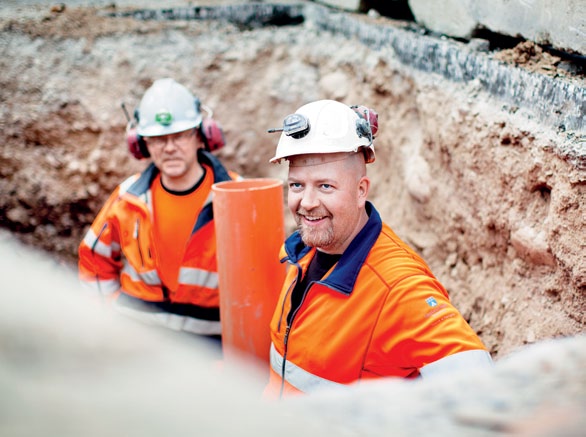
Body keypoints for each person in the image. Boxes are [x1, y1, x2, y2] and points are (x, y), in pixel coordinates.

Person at [265, 99, 492, 398]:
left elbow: (485, 394)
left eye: (325, 187)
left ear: (361, 191)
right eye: (296, 185)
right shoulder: (301, 254)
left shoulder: (397, 287)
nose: (306, 202)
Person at [78, 78, 240, 347]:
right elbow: (94, 260)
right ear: (141, 144)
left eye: (179, 136)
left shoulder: (237, 196)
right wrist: (107, 320)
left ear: (201, 135)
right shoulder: (127, 197)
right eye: (157, 139)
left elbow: (262, 282)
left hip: (209, 351)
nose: (169, 148)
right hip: (138, 346)